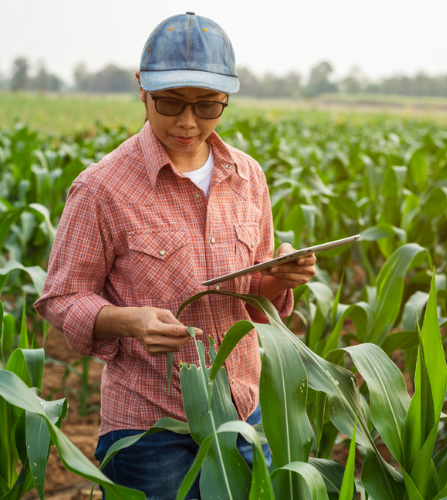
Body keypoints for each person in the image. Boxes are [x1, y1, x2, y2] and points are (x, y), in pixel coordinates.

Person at [34, 12, 316, 500]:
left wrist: (281, 276)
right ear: (142, 87)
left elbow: (249, 303)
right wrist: (129, 321)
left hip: (242, 415)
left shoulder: (248, 177)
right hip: (149, 429)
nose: (188, 122)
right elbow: (61, 297)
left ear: (226, 99)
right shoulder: (102, 188)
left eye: (208, 107)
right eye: (170, 104)